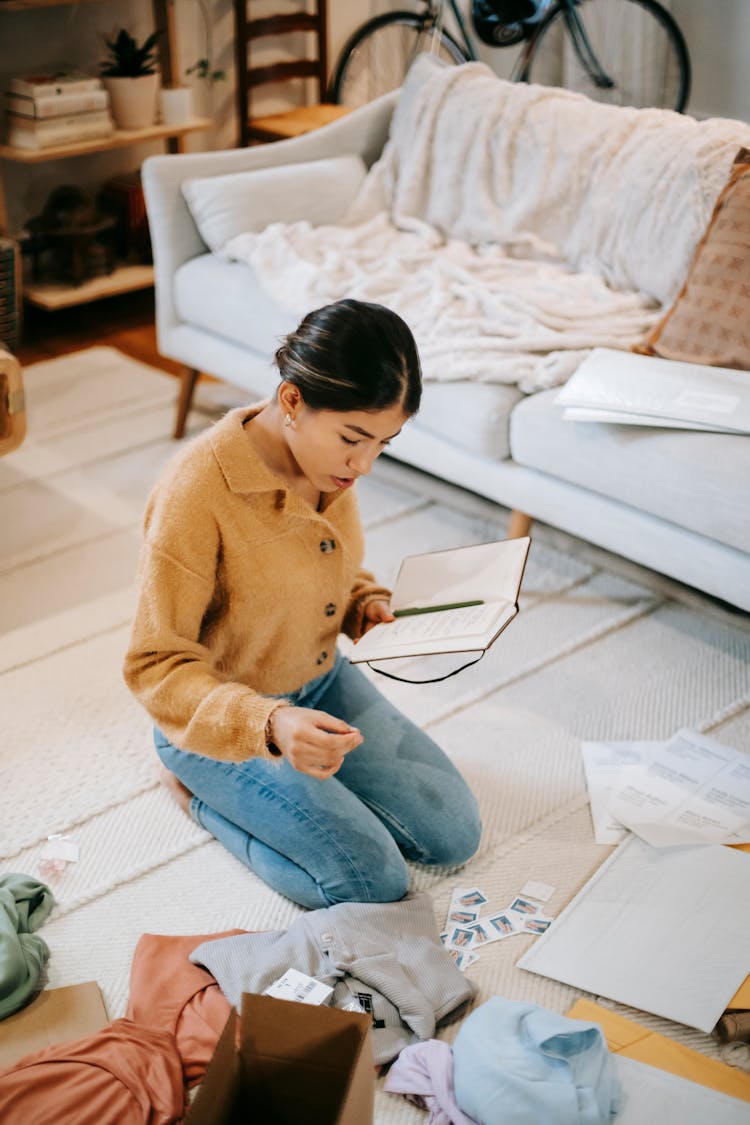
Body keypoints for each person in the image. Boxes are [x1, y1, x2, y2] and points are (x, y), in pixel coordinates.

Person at [123, 299, 481, 910]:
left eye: (384, 443)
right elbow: (154, 665)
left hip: (319, 683)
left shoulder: (328, 467)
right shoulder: (194, 492)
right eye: (353, 438)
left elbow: (329, 565)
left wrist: (361, 604)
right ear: (292, 401)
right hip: (222, 723)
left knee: (453, 835)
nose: (364, 464)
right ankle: (193, 793)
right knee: (371, 883)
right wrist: (268, 723)